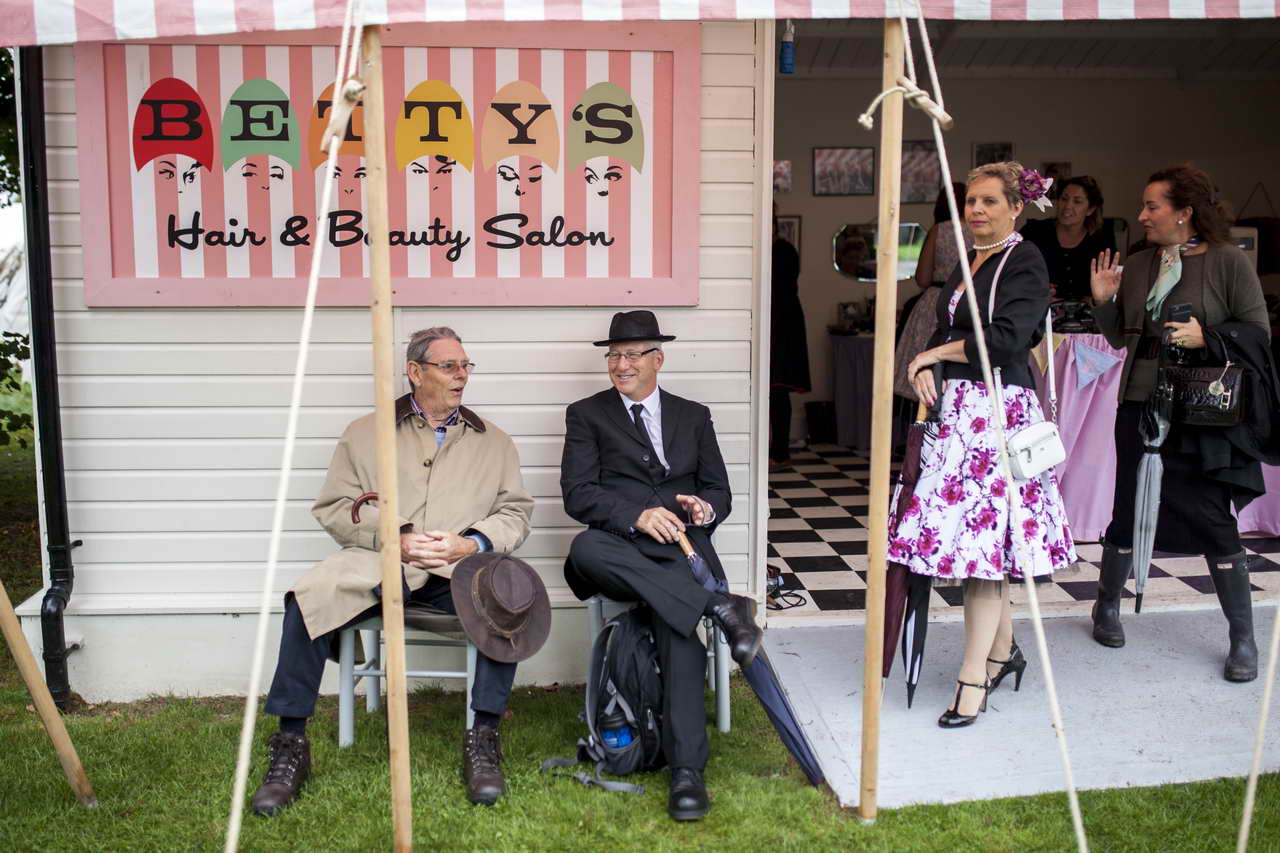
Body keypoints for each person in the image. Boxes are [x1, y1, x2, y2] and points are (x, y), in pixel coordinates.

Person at [251, 327, 539, 815]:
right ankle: (289, 746)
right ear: (415, 372)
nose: (461, 375)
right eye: (449, 366)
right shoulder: (366, 433)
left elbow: (515, 512)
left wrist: (470, 542)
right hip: (379, 563)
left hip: (457, 570)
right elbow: (335, 506)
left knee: (507, 597)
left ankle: (484, 739)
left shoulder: (495, 442)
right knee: (309, 597)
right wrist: (396, 537)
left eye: (465, 366)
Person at [891, 162, 1077, 728]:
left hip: (998, 417)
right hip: (960, 415)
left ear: (1016, 207)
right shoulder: (971, 258)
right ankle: (1002, 652)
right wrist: (931, 365)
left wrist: (932, 355)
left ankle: (973, 678)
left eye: (989, 201)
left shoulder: (1024, 259)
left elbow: (1007, 339)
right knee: (979, 546)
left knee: (984, 554)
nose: (976, 209)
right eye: (971, 200)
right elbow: (948, 330)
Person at [560, 310, 763, 821]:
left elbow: (718, 490)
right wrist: (637, 516)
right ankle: (718, 607)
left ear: (658, 359)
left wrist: (703, 509)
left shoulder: (693, 416)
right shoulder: (586, 414)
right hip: (615, 548)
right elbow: (578, 494)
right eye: (614, 356)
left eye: (632, 355)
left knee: (676, 626)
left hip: (680, 548)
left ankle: (687, 772)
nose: (620, 365)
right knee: (584, 548)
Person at [1090, 164, 1277, 682]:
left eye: (1152, 206)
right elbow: (1120, 337)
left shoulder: (1227, 261)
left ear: (1184, 212)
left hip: (1201, 409)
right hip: (1140, 401)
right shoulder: (1139, 263)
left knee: (1213, 515)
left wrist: (1207, 338)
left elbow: (1258, 331)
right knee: (1129, 505)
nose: (1142, 215)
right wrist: (1104, 302)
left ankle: (1243, 638)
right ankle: (1107, 605)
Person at [894, 183, 971, 400]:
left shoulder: (940, 230)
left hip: (938, 299)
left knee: (925, 362)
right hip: (970, 300)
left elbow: (922, 278)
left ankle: (923, 409)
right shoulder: (981, 231)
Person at [1020, 175, 1115, 302]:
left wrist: (1095, 300)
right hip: (1037, 310)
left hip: (1086, 313)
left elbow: (1106, 294)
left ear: (1090, 209)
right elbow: (1011, 271)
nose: (1068, 206)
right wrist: (1033, 292)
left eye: (1077, 201)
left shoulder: (1102, 242)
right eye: (1064, 199)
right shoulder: (1034, 231)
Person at [770, 205, 811, 467]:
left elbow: (780, 290)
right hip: (774, 322)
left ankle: (780, 453)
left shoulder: (783, 251)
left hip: (783, 325)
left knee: (778, 390)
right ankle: (776, 450)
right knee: (772, 392)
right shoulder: (774, 250)